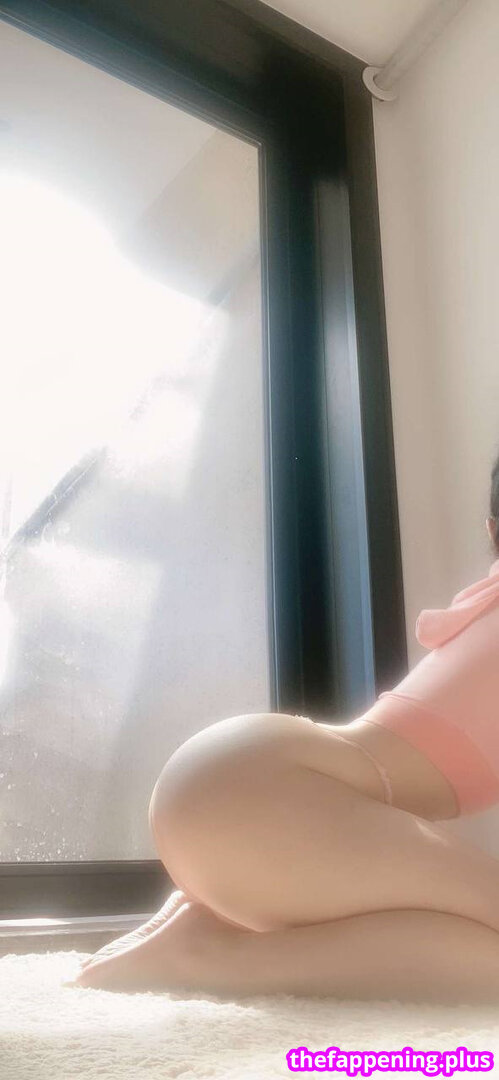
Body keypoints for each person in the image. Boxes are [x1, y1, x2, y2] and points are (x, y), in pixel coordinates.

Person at [71, 454, 499, 1004]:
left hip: (252, 781)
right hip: (279, 793)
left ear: (491, 531)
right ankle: (211, 958)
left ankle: (218, 925)